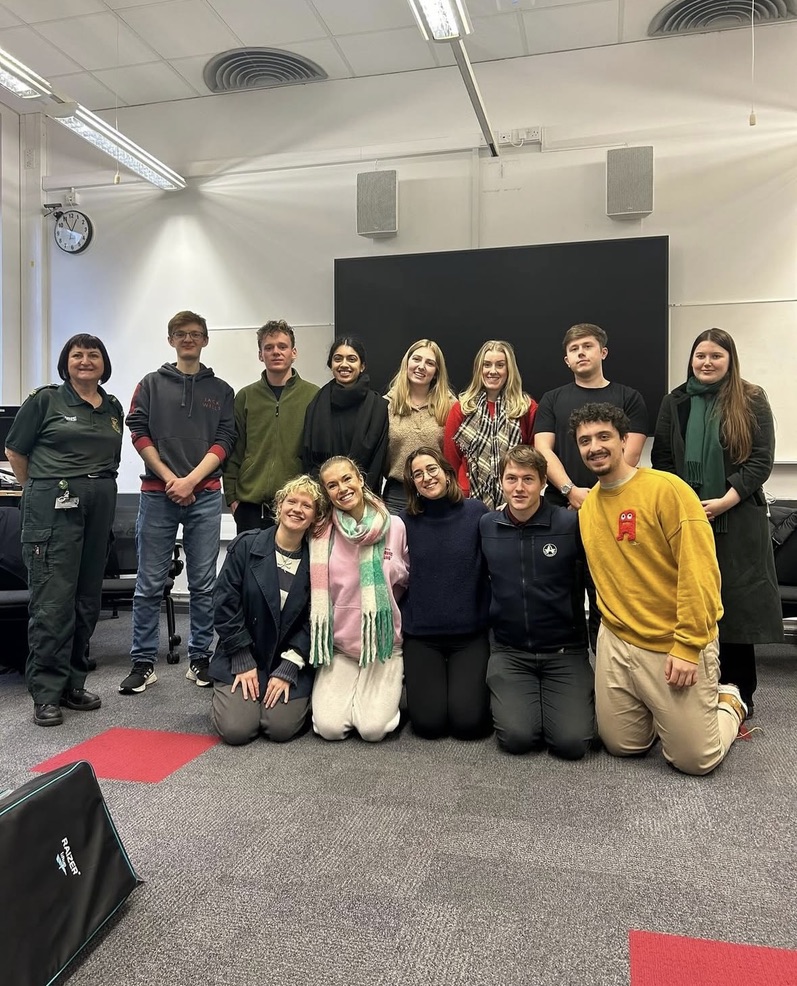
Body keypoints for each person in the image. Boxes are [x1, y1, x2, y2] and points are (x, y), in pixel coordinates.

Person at [571, 402, 748, 776]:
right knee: (622, 746)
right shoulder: (588, 510)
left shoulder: (667, 490)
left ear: (624, 441)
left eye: (604, 436)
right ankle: (663, 709)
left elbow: (700, 573)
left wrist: (687, 646)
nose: (594, 447)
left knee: (695, 761)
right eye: (585, 440)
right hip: (618, 640)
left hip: (672, 642)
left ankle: (728, 700)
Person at [651, 328, 782, 716]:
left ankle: (741, 693)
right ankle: (699, 689)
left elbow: (761, 459)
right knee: (693, 601)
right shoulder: (675, 401)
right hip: (688, 518)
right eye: (700, 356)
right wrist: (687, 505)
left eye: (715, 356)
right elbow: (662, 459)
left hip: (738, 516)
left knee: (736, 605)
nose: (706, 363)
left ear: (730, 360)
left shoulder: (752, 398)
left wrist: (725, 500)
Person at [4, 334, 123, 726]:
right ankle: (47, 693)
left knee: (87, 598)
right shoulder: (45, 400)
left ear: (104, 363)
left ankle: (74, 681)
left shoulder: (112, 407)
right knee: (53, 602)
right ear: (65, 362)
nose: (85, 361)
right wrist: (39, 488)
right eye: (77, 355)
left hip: (98, 505)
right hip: (53, 506)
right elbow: (16, 452)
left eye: (93, 355)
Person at [120, 311, 235, 695]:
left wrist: (191, 480)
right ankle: (142, 663)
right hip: (158, 494)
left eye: (196, 334)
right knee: (149, 583)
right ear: (170, 339)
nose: (189, 339)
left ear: (205, 340)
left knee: (204, 583)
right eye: (181, 334)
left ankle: (200, 658)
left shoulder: (221, 390)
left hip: (204, 496)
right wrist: (171, 479)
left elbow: (224, 440)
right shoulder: (150, 384)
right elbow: (137, 431)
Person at [534, 322, 648, 649]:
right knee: (563, 593)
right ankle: (573, 679)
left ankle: (609, 677)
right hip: (562, 509)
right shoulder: (553, 399)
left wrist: (595, 497)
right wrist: (571, 490)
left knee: (607, 594)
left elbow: (632, 453)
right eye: (574, 349)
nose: (581, 352)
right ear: (567, 360)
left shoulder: (629, 397)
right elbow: (543, 450)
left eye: (587, 346)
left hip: (614, 508)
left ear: (603, 352)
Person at [479, 445, 593, 759]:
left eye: (528, 479)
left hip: (564, 651)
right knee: (517, 739)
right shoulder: (487, 526)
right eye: (511, 478)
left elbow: (592, 584)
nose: (519, 487)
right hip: (510, 651)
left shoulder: (569, 525)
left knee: (572, 744)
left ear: (543, 481)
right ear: (501, 481)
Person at [209, 475, 326, 745]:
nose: (297, 509)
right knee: (237, 731)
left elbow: (316, 619)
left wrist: (289, 667)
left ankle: (266, 694)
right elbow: (224, 604)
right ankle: (233, 696)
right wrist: (241, 658)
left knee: (280, 729)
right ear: (279, 506)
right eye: (291, 501)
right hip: (243, 652)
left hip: (288, 659)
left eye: (307, 506)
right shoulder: (246, 546)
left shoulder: (319, 561)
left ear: (315, 517)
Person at [309, 456, 408, 742]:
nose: (342, 488)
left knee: (372, 730)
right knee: (329, 728)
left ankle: (381, 695)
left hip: (384, 647)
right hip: (340, 647)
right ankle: (354, 693)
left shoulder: (396, 527)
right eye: (332, 485)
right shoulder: (320, 533)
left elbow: (408, 581)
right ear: (327, 493)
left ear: (361, 479)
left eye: (347, 479)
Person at [399, 446, 491, 739]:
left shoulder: (476, 513)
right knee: (428, 726)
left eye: (431, 469)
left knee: (468, 725)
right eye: (417, 474)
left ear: (447, 473)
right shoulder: (404, 522)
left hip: (469, 635)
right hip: (423, 636)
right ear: (412, 484)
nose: (426, 477)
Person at [223, 319, 319, 533]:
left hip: (296, 503)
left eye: (282, 347)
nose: (276, 352)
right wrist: (232, 498)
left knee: (291, 566)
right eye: (269, 347)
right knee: (251, 565)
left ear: (294, 352)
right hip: (250, 506)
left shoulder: (313, 396)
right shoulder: (245, 397)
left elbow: (318, 453)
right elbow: (234, 451)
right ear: (260, 355)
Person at [444, 340, 537, 510]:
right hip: (469, 501)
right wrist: (459, 491)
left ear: (509, 370)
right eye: (487, 365)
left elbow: (536, 458)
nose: (492, 371)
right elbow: (451, 460)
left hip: (516, 499)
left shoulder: (526, 408)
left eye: (500, 365)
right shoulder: (462, 408)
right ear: (479, 369)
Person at [302, 336, 388, 494]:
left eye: (352, 359)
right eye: (338, 359)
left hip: (363, 497)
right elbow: (308, 460)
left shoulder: (378, 407)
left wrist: (357, 496)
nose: (344, 364)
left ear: (362, 366)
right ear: (331, 365)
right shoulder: (315, 405)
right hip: (323, 495)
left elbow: (377, 462)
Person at [382, 340, 455, 513]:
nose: (421, 366)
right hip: (398, 495)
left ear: (436, 372)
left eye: (429, 363)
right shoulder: (386, 405)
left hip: (437, 493)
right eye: (416, 359)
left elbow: (454, 455)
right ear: (407, 363)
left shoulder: (450, 406)